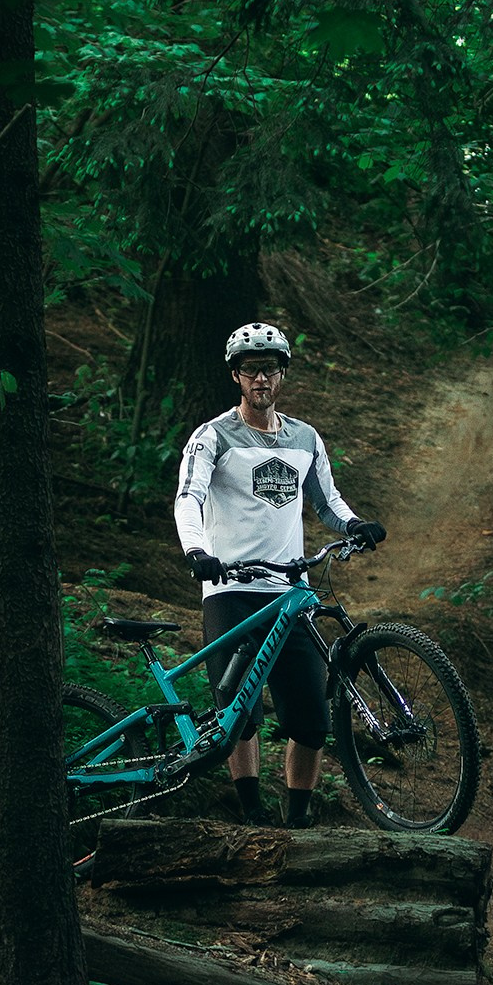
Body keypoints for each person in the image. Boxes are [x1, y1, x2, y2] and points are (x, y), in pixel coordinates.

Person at [174, 322, 385, 827]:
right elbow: (189, 497)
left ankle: (298, 819)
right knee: (238, 714)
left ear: (282, 374)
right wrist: (197, 550)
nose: (261, 379)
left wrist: (354, 524)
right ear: (236, 376)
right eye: (250, 370)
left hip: (291, 594)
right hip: (230, 589)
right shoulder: (212, 436)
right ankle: (251, 811)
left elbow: (328, 502)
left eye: (269, 369)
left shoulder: (305, 438)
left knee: (311, 717)